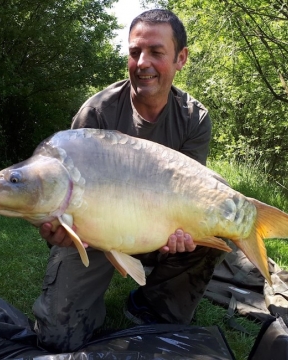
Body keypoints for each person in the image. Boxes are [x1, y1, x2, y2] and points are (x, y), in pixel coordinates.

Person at [32, 8, 224, 353]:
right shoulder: (97, 113)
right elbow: (62, 200)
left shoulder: (194, 119)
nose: (142, 62)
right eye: (135, 52)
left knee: (217, 234)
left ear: (181, 58)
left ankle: (152, 305)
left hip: (160, 230)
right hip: (98, 236)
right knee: (57, 337)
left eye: (156, 52)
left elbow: (196, 196)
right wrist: (57, 229)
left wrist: (187, 231)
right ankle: (83, 309)